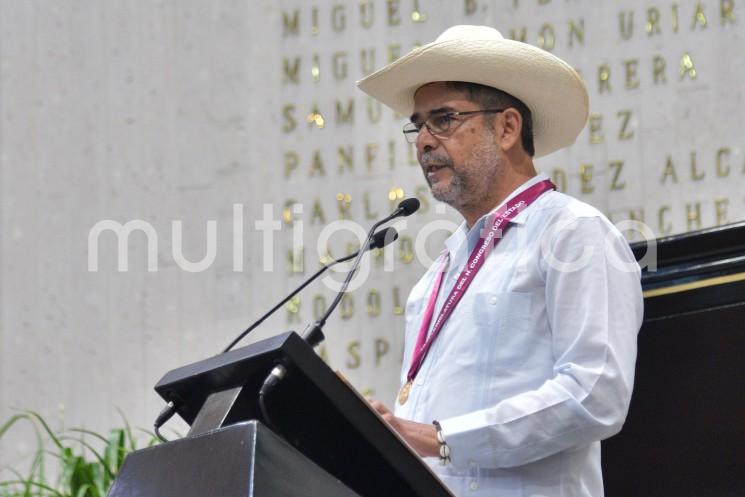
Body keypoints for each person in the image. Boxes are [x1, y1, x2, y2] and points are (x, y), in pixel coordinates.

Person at [356, 25, 644, 496]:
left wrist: (440, 438)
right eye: (418, 124)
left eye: (444, 119)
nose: (423, 141)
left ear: (507, 127)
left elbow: (595, 394)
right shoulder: (436, 277)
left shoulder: (572, 232)